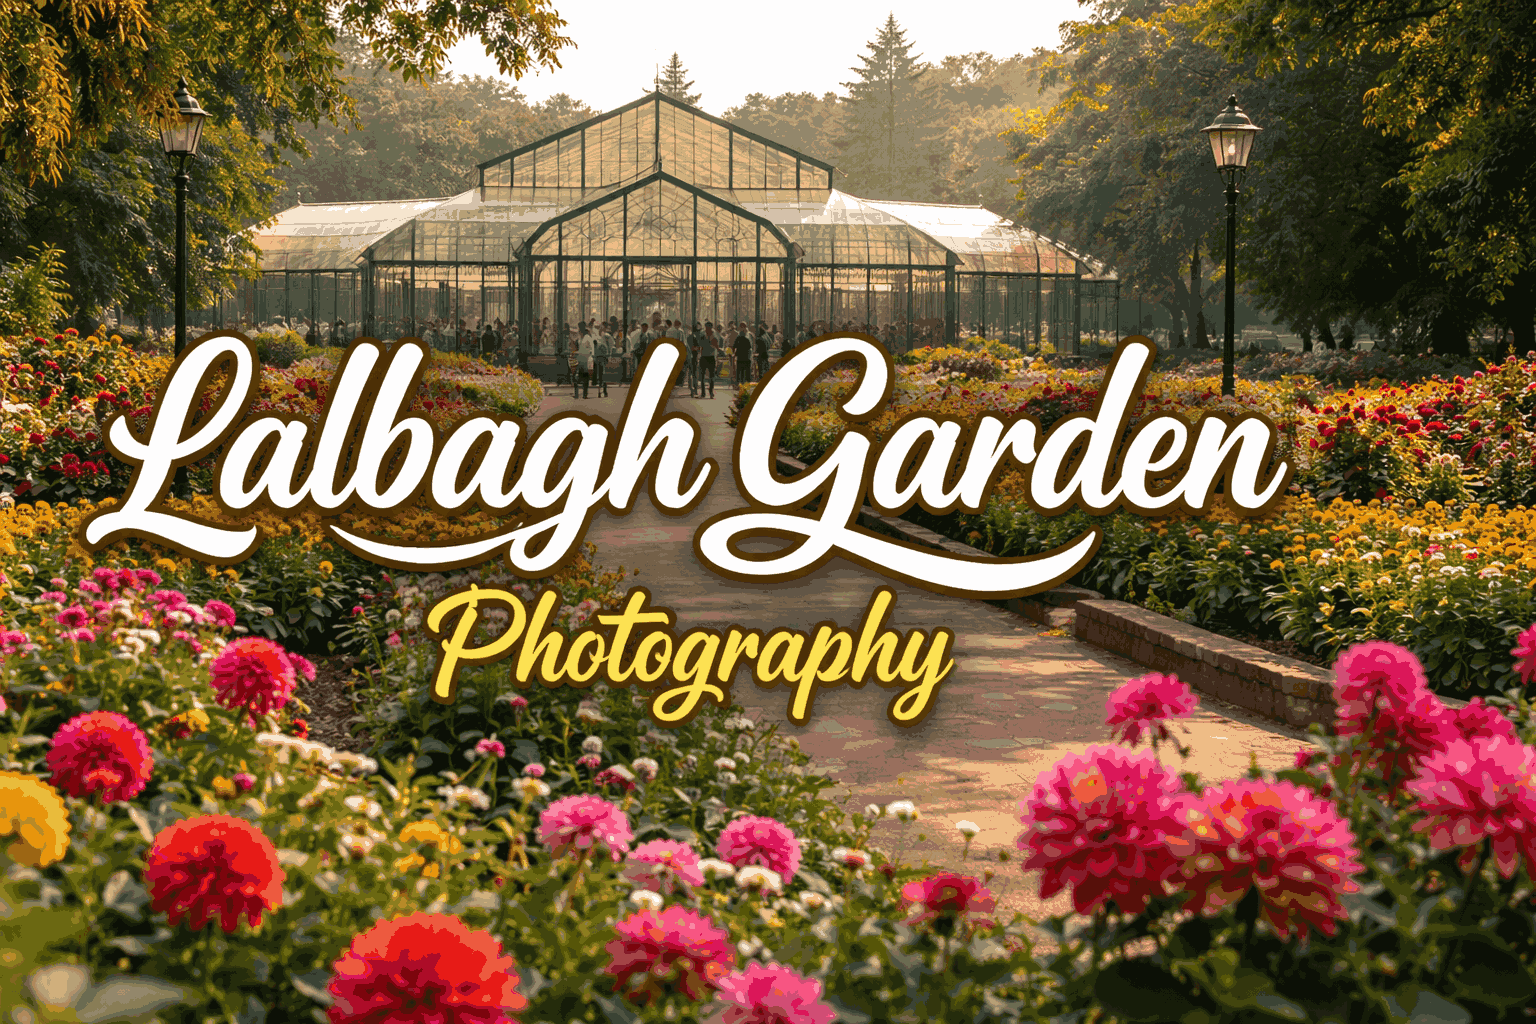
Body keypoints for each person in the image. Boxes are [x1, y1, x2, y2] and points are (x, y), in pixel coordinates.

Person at [699, 322, 719, 397]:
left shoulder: (715, 335)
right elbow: (700, 344)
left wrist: (710, 341)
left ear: (711, 327)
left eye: (708, 327)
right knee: (702, 376)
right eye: (706, 327)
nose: (707, 329)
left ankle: (711, 392)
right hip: (703, 356)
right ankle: (703, 393)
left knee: (711, 376)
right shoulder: (702, 334)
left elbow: (716, 345)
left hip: (711, 357)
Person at [576, 323, 595, 398]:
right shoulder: (581, 338)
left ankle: (585, 393)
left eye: (580, 328)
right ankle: (580, 393)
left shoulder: (588, 338)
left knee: (585, 377)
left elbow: (591, 350)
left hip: (587, 359)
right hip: (581, 360)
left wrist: (584, 353)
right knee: (581, 376)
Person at [593, 326, 611, 397]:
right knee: (601, 376)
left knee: (601, 376)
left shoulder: (605, 339)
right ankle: (603, 391)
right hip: (601, 359)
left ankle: (602, 391)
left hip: (600, 360)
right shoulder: (603, 340)